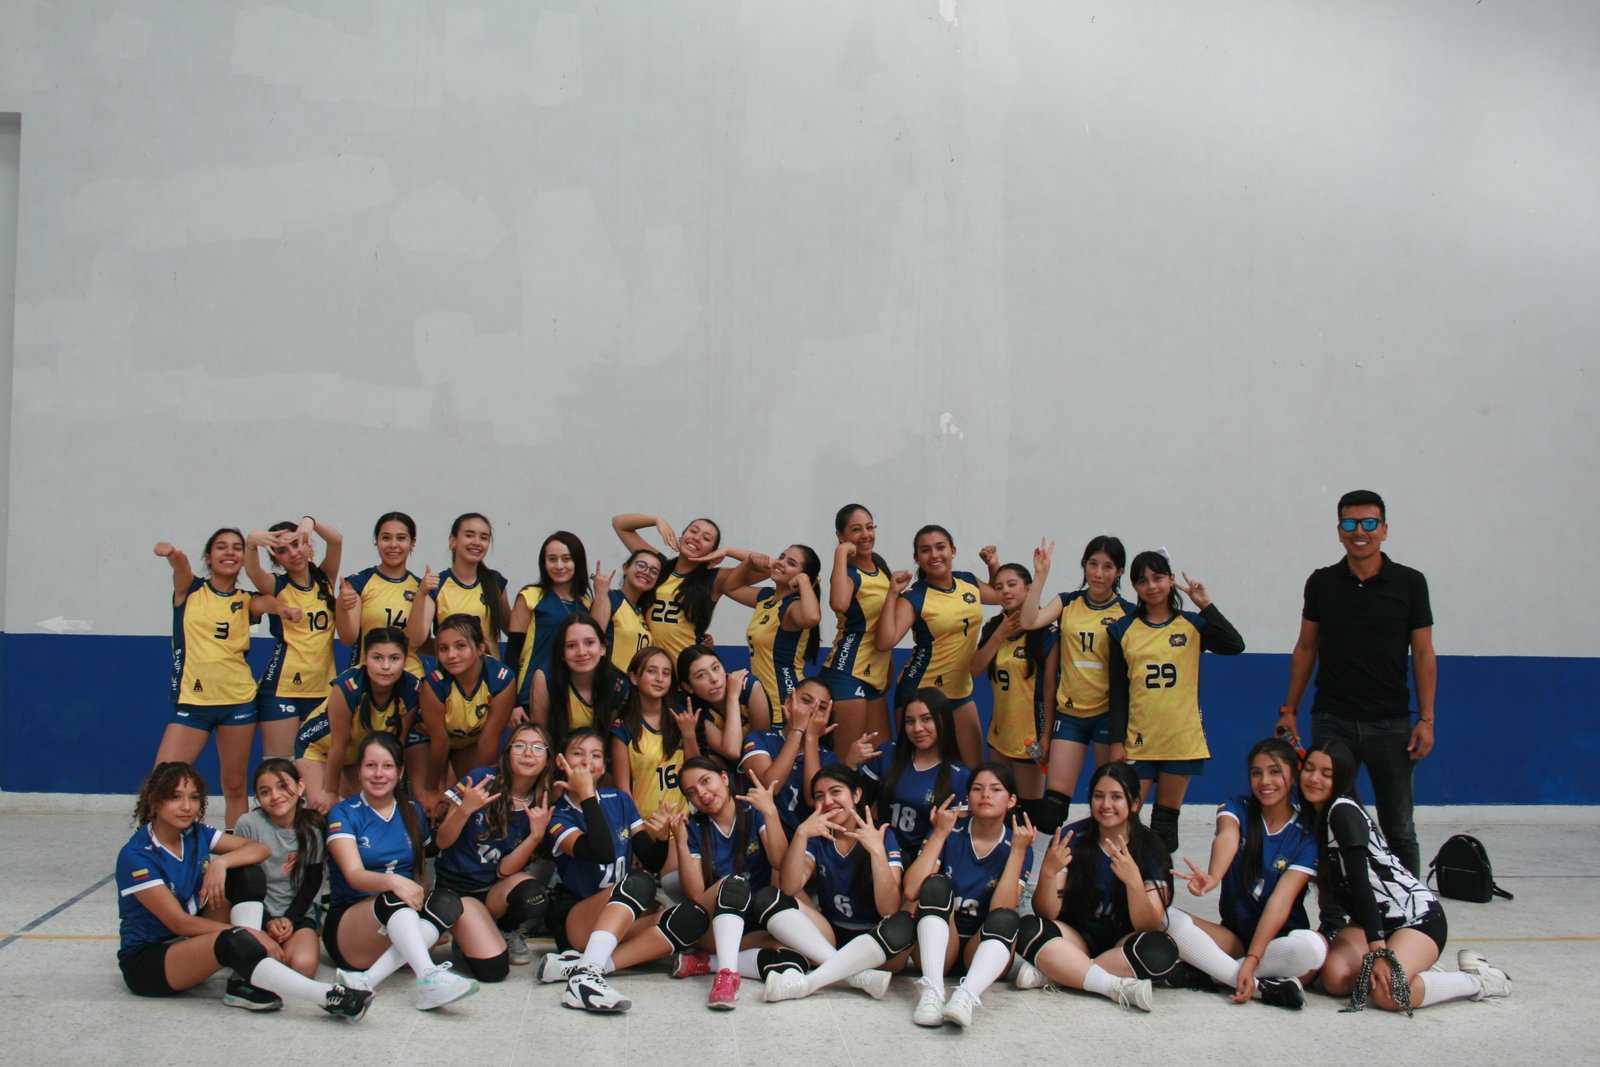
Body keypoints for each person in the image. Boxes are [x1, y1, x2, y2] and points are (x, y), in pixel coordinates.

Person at [116, 761, 370, 1020]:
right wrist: (249, 934)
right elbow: (179, 923)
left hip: (190, 943)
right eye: (175, 797)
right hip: (150, 961)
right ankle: (328, 995)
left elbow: (259, 850)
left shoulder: (194, 833)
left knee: (247, 872)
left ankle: (242, 975)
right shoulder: (137, 856)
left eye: (193, 798)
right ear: (154, 801)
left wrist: (222, 863)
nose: (186, 807)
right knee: (232, 939)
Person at [1278, 490, 1436, 877]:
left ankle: (1410, 912)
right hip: (1333, 722)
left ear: (1384, 530)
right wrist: (1289, 710)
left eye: (1369, 523)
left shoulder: (1410, 583)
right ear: (1338, 531)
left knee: (1399, 827)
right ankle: (1336, 910)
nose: (1359, 532)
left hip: (1392, 725)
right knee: (1329, 820)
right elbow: (1305, 646)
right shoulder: (1322, 583)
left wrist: (1426, 719)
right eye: (1350, 524)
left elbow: (1425, 653)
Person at [1300, 740, 1510, 1013]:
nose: (1314, 778)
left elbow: (1362, 885)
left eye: (1327, 774)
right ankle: (1418, 965)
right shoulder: (1313, 818)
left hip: (1417, 919)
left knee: (1391, 995)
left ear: (1342, 778)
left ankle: (1477, 979)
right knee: (1335, 980)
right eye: (1309, 769)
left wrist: (1379, 953)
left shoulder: (1342, 812)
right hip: (1368, 923)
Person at [536, 729, 708, 1013]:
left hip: (623, 914)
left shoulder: (620, 800)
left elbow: (651, 861)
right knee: (639, 883)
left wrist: (664, 836)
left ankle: (585, 968)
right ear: (561, 762)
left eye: (595, 756)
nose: (587, 763)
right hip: (577, 916)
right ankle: (586, 977)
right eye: (578, 754)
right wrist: (587, 795)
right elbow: (600, 851)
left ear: (604, 765)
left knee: (692, 917)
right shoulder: (558, 816)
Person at [1161, 737, 1327, 1009]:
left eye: (1275, 772)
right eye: (1256, 773)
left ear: (1293, 776)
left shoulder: (1306, 834)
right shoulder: (1237, 807)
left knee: (1312, 947)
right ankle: (1260, 987)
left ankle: (1215, 972)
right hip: (1233, 940)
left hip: (1280, 945)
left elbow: (1280, 903)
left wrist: (1253, 959)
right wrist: (1214, 876)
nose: (1265, 781)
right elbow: (1227, 836)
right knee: (1164, 916)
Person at [322, 733, 482, 1010]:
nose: (379, 774)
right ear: (359, 771)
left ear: (400, 771)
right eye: (370, 766)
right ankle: (428, 975)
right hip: (352, 928)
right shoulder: (344, 813)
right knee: (395, 895)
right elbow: (354, 875)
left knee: (447, 901)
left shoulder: (412, 810)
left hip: (400, 917)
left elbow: (423, 865)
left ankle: (365, 981)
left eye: (387, 766)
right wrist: (394, 881)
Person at [1010, 762, 1178, 1013]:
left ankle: (1060, 972)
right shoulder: (1072, 837)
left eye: (1116, 797)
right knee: (1028, 928)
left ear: (1134, 803)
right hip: (1077, 938)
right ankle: (1109, 984)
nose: (1106, 805)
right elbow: (1047, 913)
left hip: (1124, 943)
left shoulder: (1152, 848)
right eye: (1098, 796)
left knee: (1161, 950)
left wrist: (1134, 882)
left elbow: (1148, 925)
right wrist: (1047, 872)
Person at [1107, 551, 1245, 853]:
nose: (1151, 586)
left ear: (1170, 580)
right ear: (1134, 587)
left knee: (1165, 822)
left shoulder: (1193, 624)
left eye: (1158, 578)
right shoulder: (1122, 629)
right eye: (1142, 581)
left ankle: (1158, 886)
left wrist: (1205, 604)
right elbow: (1118, 692)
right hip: (1139, 739)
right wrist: (1117, 740)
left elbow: (1235, 645)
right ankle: (1122, 887)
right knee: (1122, 817)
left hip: (1180, 738)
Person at [153, 529, 292, 828]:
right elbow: (181, 567)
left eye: (236, 548)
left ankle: (238, 857)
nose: (229, 553)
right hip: (193, 702)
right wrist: (174, 555)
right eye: (221, 547)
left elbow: (265, 604)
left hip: (238, 704)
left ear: (243, 558)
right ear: (209, 556)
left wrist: (282, 608)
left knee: (234, 786)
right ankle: (154, 849)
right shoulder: (189, 590)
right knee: (163, 779)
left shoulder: (245, 600)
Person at [672, 756, 829, 1010]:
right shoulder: (694, 828)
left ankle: (707, 963)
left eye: (706, 781)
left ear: (724, 778)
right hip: (715, 924)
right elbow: (695, 895)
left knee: (797, 956)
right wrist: (679, 841)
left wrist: (770, 812)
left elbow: (779, 860)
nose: (702, 793)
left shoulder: (752, 810)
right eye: (692, 792)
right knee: (734, 884)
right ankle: (725, 974)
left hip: (755, 921)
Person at [900, 762, 1036, 1028]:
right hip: (939, 941)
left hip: (982, 948)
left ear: (1011, 800)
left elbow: (1002, 909)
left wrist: (1019, 851)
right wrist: (939, 833)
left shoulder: (1018, 843)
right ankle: (933, 991)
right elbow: (911, 889)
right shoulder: (950, 831)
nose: (985, 795)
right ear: (967, 797)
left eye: (995, 789)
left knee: (1008, 918)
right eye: (977, 788)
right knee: (936, 886)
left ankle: (966, 997)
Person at [763, 765, 907, 1002]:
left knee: (904, 923)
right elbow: (789, 887)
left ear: (857, 795)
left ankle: (812, 981)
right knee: (770, 897)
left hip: (876, 940)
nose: (828, 801)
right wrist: (800, 834)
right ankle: (855, 975)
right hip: (830, 933)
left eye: (836, 792)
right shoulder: (818, 836)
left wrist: (877, 852)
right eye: (820, 797)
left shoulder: (881, 834)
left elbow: (889, 909)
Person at [1019, 536, 1134, 833]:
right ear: (1084, 566)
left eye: (1107, 567)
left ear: (1119, 572)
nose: (1098, 573)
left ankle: (1110, 868)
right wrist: (1041, 576)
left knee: (1109, 798)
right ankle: (1039, 876)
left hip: (1109, 716)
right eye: (1093, 564)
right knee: (1053, 805)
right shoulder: (1068, 601)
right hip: (1070, 716)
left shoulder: (1128, 613)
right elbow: (1030, 621)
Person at [876, 525, 1002, 767]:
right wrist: (892, 594)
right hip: (920, 693)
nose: (934, 555)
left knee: (973, 770)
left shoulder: (968, 581)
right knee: (917, 770)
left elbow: (998, 596)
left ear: (952, 551)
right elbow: (885, 642)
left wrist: (993, 564)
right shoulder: (914, 597)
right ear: (917, 558)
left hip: (960, 692)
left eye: (940, 547)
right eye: (925, 550)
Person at [433, 724, 557, 969]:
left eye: (538, 747)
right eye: (519, 746)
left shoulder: (542, 801)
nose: (528, 753)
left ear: (548, 759)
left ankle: (504, 930)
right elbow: (442, 841)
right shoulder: (482, 779)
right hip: (455, 888)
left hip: (492, 889)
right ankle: (465, 931)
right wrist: (466, 809)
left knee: (535, 896)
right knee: (493, 969)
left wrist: (535, 836)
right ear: (507, 752)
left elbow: (504, 871)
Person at [612, 513, 770, 661]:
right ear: (681, 537)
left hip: (687, 673)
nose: (696, 538)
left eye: (706, 538)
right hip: (648, 671)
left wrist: (728, 551)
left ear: (713, 551)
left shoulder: (714, 579)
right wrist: (656, 520)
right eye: (693, 531)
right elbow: (619, 524)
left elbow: (769, 568)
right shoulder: (659, 566)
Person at [246, 517, 343, 759]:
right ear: (276, 559)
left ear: (308, 544)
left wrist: (309, 522)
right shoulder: (276, 586)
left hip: (323, 689)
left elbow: (336, 540)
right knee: (282, 769)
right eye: (282, 550)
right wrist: (251, 543)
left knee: (320, 766)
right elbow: (253, 571)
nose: (293, 552)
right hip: (283, 689)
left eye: (297, 543)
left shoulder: (325, 579)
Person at [295, 627, 420, 813]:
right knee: (324, 811)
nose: (386, 666)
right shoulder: (347, 687)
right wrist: (330, 791)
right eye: (377, 658)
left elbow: (396, 745)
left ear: (405, 660)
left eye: (394, 658)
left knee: (374, 810)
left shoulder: (412, 689)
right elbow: (338, 746)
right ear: (365, 658)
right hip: (320, 749)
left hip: (358, 755)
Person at [971, 561, 1059, 812]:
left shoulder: (1046, 631)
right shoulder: (993, 626)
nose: (1005, 591)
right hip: (999, 735)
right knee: (1000, 809)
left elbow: (1051, 688)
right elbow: (975, 669)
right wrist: (1000, 634)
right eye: (999, 587)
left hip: (1030, 738)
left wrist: (1047, 736)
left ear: (1029, 588)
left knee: (1028, 811)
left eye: (1012, 585)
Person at [408, 614, 516, 813]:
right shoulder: (434, 683)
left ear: (480, 647)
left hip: (468, 739)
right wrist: (432, 789)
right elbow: (440, 742)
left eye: (460, 646)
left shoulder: (502, 679)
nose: (451, 655)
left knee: (477, 798)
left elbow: (488, 741)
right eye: (443, 648)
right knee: (430, 805)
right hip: (427, 740)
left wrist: (487, 783)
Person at [231, 759, 327, 985]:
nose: (275, 796)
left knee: (303, 967)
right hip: (257, 912)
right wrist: (266, 922)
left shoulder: (313, 827)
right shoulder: (249, 824)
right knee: (259, 963)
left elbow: (312, 882)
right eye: (265, 792)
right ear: (258, 799)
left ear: (300, 786)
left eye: (283, 786)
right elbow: (239, 883)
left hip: (297, 913)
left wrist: (290, 920)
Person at [855, 687, 970, 857]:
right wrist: (850, 765)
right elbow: (858, 805)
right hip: (878, 850)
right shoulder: (887, 753)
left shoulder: (960, 776)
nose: (917, 728)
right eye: (910, 721)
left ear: (943, 721)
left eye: (926, 719)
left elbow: (956, 840)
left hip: (923, 861)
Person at [820, 504, 895, 760]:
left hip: (874, 677)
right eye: (856, 530)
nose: (865, 535)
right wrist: (840, 553)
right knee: (847, 765)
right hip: (846, 675)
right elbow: (839, 603)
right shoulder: (847, 571)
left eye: (870, 527)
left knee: (881, 763)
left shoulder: (880, 566)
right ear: (841, 535)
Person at [508, 531, 612, 708]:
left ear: (577, 562)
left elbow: (597, 638)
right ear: (544, 563)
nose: (559, 565)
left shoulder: (585, 603)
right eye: (552, 559)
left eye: (566, 558)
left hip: (572, 700)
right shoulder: (530, 597)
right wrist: (514, 704)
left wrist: (601, 594)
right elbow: (512, 652)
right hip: (530, 697)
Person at [730, 544, 822, 712]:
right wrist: (747, 560)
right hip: (762, 700)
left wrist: (803, 581)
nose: (781, 562)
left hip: (783, 700)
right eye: (781, 557)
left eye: (791, 563)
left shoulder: (793, 606)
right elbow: (730, 587)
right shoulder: (766, 598)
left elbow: (812, 618)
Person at [610, 647, 698, 820]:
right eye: (651, 671)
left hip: (685, 824)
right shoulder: (622, 728)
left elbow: (696, 772)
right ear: (634, 677)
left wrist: (689, 735)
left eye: (666, 673)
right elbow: (623, 792)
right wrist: (638, 831)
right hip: (646, 826)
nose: (659, 679)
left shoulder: (681, 717)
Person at [406, 512, 510, 657]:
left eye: (484, 538)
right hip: (451, 674)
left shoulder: (494, 581)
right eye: (469, 535)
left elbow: (513, 630)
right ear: (453, 541)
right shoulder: (438, 584)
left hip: (489, 675)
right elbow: (414, 642)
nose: (477, 542)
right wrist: (421, 594)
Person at [337, 512, 424, 678]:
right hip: (368, 678)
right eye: (386, 538)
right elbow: (348, 639)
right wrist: (341, 608)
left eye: (401, 538)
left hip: (411, 679)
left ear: (412, 543)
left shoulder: (421, 588)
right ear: (376, 541)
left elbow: (420, 642)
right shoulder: (358, 583)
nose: (393, 545)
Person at [529, 612, 630, 746]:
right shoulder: (546, 678)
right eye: (571, 645)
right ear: (562, 654)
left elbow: (609, 744)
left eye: (589, 643)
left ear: (603, 648)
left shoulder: (619, 685)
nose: (581, 652)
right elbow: (540, 741)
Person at [678, 646, 769, 762]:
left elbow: (762, 745)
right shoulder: (690, 707)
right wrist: (733, 697)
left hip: (757, 761)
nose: (714, 679)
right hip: (724, 766)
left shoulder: (748, 686)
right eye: (701, 675)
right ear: (688, 687)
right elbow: (732, 751)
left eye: (716, 668)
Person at [605, 549, 660, 671]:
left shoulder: (644, 614)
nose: (646, 572)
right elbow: (592, 638)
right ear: (626, 568)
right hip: (608, 684)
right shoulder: (610, 598)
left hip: (633, 687)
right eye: (641, 565)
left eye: (654, 571)